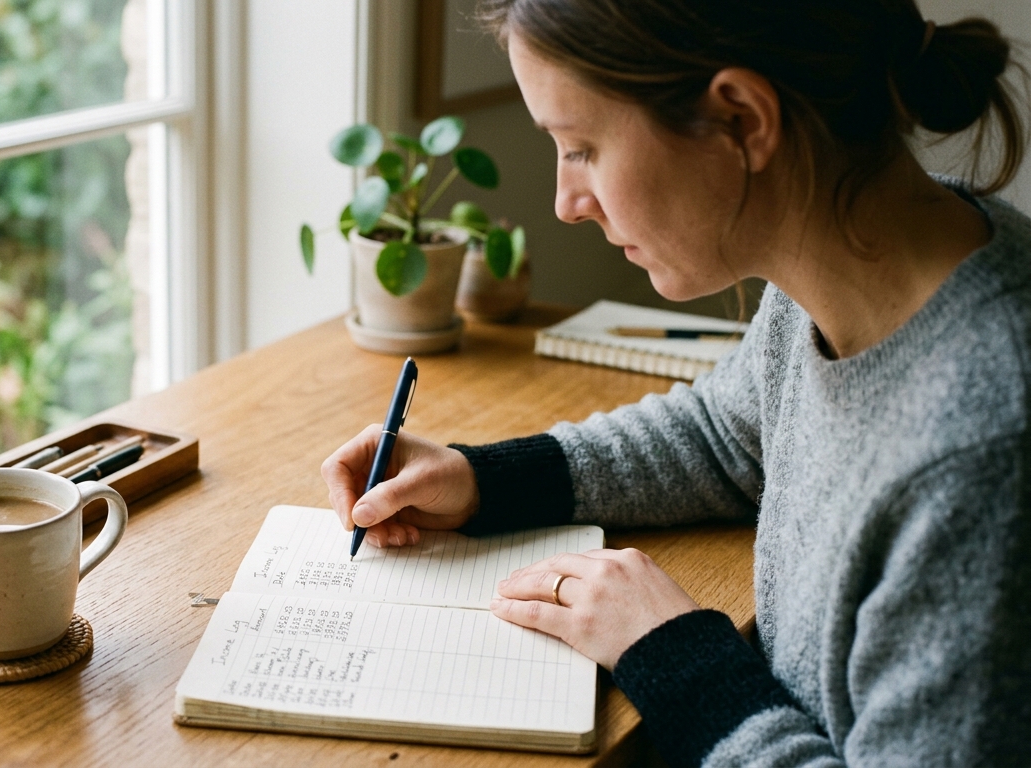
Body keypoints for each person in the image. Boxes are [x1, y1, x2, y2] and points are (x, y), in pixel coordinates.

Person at [321, 1, 1031, 765]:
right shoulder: (849, 262)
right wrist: (485, 480)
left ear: (742, 120)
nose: (565, 203)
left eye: (582, 147)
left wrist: (670, 651)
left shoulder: (983, 450)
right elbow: (727, 435)